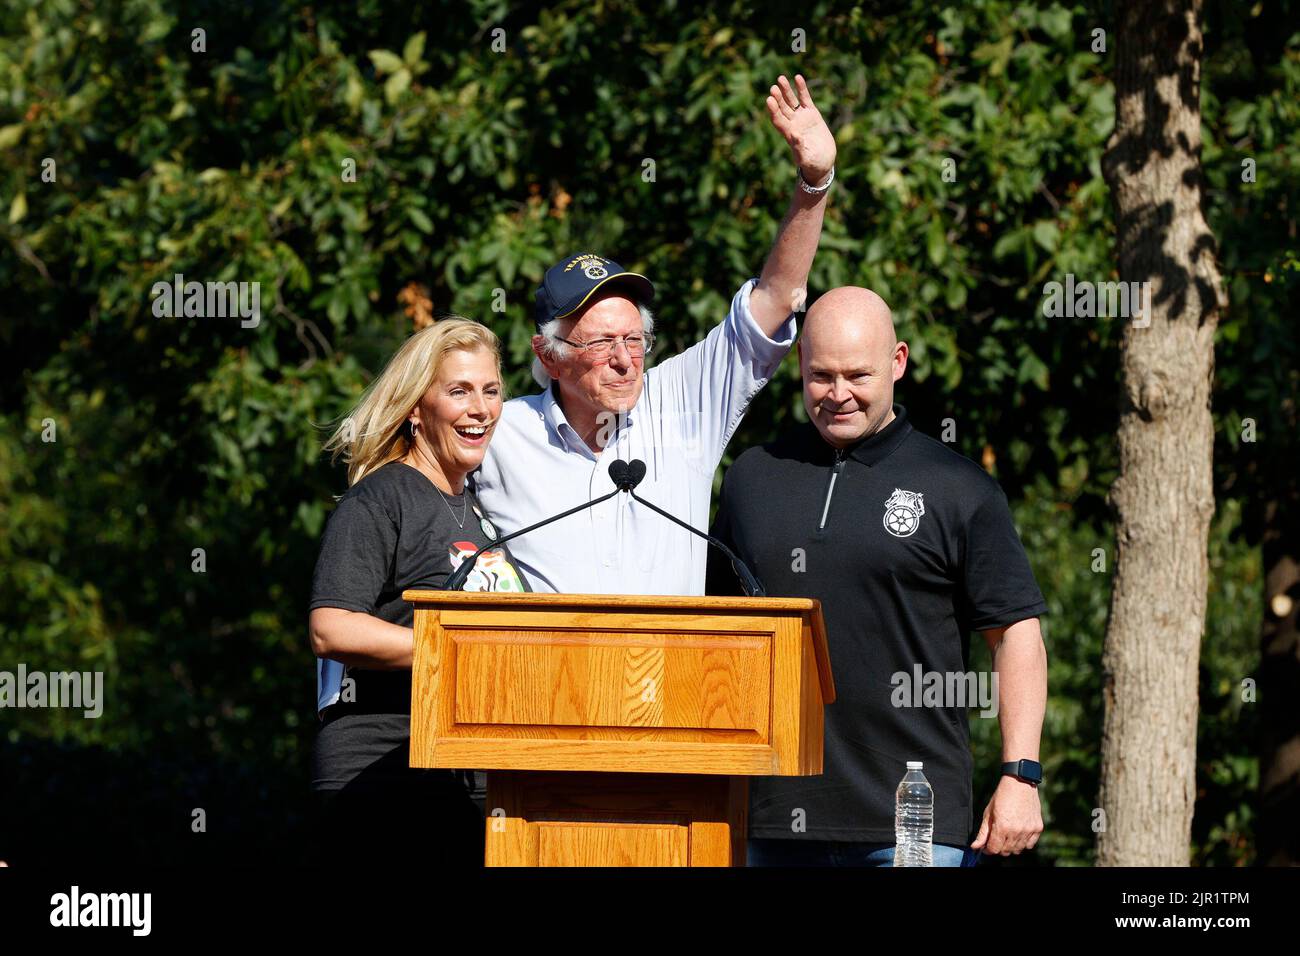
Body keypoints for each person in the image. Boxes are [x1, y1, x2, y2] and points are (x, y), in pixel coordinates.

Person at [707, 286, 1049, 867]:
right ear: (799, 368)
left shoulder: (959, 487)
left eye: (857, 375)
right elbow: (716, 633)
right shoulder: (752, 478)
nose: (838, 395)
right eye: (821, 376)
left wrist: (1021, 775)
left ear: (898, 362)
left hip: (914, 825)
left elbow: (1015, 634)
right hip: (769, 820)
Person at [471, 74, 837, 594]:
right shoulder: (499, 433)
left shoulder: (683, 404)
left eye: (634, 339)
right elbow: (409, 478)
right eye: (600, 343)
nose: (624, 359)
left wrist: (814, 181)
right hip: (549, 675)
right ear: (548, 357)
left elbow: (776, 299)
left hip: (671, 673)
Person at [307, 318, 530, 866]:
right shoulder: (382, 498)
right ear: (415, 407)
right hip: (381, 782)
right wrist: (455, 650)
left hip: (463, 779)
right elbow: (330, 626)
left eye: (491, 390)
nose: (480, 408)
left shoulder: (482, 513)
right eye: (459, 391)